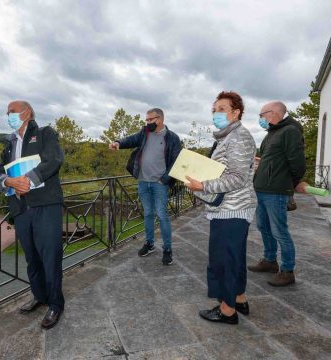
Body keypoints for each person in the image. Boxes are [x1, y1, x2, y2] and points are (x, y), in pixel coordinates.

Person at [185, 91, 256, 325]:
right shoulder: (228, 137)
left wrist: (202, 184)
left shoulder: (238, 137)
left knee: (223, 260)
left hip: (232, 209)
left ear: (236, 113)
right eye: (214, 109)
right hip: (232, 208)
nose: (216, 113)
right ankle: (239, 299)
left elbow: (237, 177)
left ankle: (227, 311)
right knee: (234, 257)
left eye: (222, 109)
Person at [0, 100, 65, 329]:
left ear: (28, 113)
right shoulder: (8, 144)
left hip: (46, 206)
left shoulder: (45, 133)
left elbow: (54, 160)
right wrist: (6, 181)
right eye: (7, 113)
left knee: (50, 256)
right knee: (32, 257)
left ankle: (55, 304)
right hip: (21, 209)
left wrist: (28, 180)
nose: (9, 116)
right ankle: (40, 296)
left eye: (12, 112)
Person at [109, 108, 181, 265]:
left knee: (162, 216)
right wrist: (118, 143)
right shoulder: (145, 133)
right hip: (143, 181)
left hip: (159, 184)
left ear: (160, 119)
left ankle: (167, 249)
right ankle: (149, 244)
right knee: (148, 213)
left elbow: (177, 162)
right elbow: (131, 139)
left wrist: (165, 180)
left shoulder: (172, 138)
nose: (147, 123)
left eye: (150, 120)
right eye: (146, 120)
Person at [248, 101, 307, 287]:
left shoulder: (290, 131)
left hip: (276, 191)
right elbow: (268, 158)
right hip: (263, 189)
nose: (260, 119)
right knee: (264, 227)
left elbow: (297, 162)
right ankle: (270, 261)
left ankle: (288, 271)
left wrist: (294, 183)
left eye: (261, 115)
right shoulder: (272, 133)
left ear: (272, 114)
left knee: (280, 231)